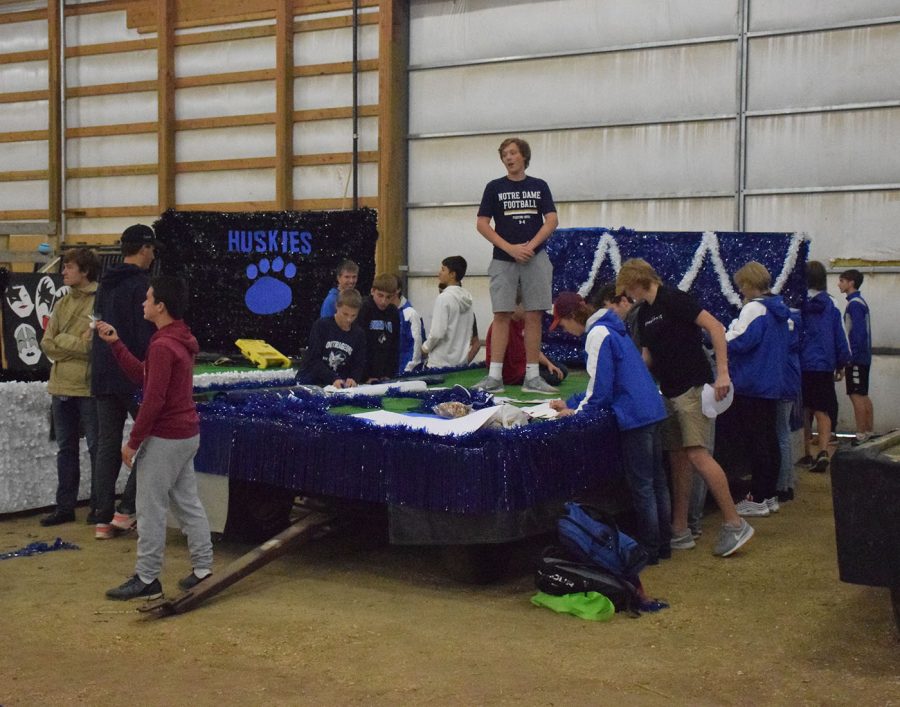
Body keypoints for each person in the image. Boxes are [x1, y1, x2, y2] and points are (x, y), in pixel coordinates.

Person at [616, 258, 754, 558]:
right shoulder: (645, 314)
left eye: (628, 289)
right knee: (678, 458)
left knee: (697, 454)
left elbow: (715, 328)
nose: (627, 296)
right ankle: (680, 527)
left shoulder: (675, 299)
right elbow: (647, 358)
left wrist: (723, 372)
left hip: (692, 388)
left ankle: (734, 521)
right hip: (669, 391)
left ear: (637, 282)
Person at [97, 276, 214, 600]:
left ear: (160, 306)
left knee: (150, 508)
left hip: (165, 438)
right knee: (188, 503)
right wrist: (116, 343)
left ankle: (147, 577)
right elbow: (143, 375)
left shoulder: (163, 345)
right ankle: (203, 568)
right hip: (186, 435)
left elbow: (153, 399)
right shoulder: (177, 339)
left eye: (148, 298)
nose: (143, 303)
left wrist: (134, 442)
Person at [547, 292, 671, 564]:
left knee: (643, 486)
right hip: (652, 408)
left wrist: (575, 411)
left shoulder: (597, 335)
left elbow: (601, 388)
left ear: (571, 317)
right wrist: (570, 401)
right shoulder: (614, 329)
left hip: (635, 415)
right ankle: (663, 544)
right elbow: (605, 383)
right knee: (657, 481)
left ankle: (650, 549)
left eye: (563, 324)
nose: (565, 331)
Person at [474, 137, 559, 394]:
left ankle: (532, 376)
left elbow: (552, 220)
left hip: (535, 257)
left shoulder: (539, 186)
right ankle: (494, 376)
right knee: (502, 313)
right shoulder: (494, 187)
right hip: (503, 258)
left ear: (523, 156)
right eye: (504, 155)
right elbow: (482, 223)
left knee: (534, 313)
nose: (509, 158)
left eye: (512, 153)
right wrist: (509, 248)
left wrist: (530, 246)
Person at [90, 224, 157, 539]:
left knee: (106, 446)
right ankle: (126, 510)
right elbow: (145, 335)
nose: (153, 255)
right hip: (132, 373)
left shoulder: (105, 284)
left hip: (103, 373)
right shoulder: (143, 286)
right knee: (151, 441)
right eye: (152, 249)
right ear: (144, 249)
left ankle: (101, 519)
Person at [718, 262, 791, 518]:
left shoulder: (754, 309)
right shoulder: (779, 310)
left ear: (749, 284)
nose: (740, 290)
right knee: (770, 440)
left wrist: (719, 336)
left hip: (752, 383)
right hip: (771, 383)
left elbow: (739, 342)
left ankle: (757, 496)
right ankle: (769, 495)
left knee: (757, 442)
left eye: (741, 285)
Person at [38, 247, 101, 527]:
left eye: (69, 267)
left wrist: (63, 340)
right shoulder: (62, 303)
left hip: (87, 388)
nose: (63, 271)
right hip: (60, 386)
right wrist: (68, 341)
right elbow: (46, 342)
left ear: (85, 271)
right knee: (66, 449)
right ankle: (65, 507)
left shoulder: (100, 303)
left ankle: (100, 506)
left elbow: (92, 347)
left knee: (96, 449)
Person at [799, 260, 850, 473]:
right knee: (823, 409)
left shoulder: (797, 303)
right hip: (824, 364)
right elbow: (840, 335)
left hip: (801, 363)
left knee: (803, 409)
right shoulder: (831, 304)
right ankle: (823, 451)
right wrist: (842, 362)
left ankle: (805, 453)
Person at [485, 291, 567, 389]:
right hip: (514, 372)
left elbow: (533, 349)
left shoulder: (524, 323)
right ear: (515, 306)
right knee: (554, 377)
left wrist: (548, 364)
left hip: (525, 364)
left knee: (562, 370)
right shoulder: (502, 327)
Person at [296, 288, 366, 388]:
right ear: (337, 306)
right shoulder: (321, 326)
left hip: (339, 386)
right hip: (311, 381)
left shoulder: (359, 334)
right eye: (345, 314)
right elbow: (313, 360)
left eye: (353, 315)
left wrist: (353, 378)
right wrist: (333, 378)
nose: (349, 319)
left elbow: (358, 363)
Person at [837, 268, 874, 446]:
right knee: (863, 394)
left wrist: (851, 357)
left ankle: (861, 434)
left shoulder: (855, 304)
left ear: (851, 283)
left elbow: (858, 334)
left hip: (857, 358)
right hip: (862, 357)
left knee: (856, 394)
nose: (839, 284)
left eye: (842, 281)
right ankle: (868, 431)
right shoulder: (858, 302)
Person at [421, 256, 476, 369]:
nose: (439, 273)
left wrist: (425, 348)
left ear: (452, 274)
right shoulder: (469, 300)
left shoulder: (444, 298)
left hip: (439, 364)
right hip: (460, 364)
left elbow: (437, 332)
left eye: (443, 269)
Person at [357, 273, 401, 383]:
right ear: (372, 291)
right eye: (380, 295)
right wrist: (364, 375)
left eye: (388, 297)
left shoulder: (393, 312)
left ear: (394, 295)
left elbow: (394, 345)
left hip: (384, 373)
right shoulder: (364, 308)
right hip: (364, 373)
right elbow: (359, 345)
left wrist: (389, 373)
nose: (383, 301)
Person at [390, 278, 426, 374]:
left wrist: (407, 371)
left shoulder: (410, 314)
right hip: (388, 373)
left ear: (398, 290)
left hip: (406, 373)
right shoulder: (382, 312)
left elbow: (416, 346)